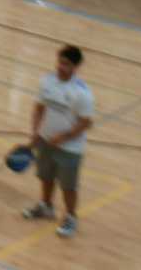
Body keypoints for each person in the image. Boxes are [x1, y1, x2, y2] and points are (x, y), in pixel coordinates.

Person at [23, 45, 93, 239]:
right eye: (60, 62)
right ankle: (46, 207)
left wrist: (63, 138)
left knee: (68, 186)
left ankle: (71, 217)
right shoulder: (47, 81)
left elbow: (86, 123)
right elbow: (39, 109)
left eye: (67, 64)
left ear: (76, 66)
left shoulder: (82, 93)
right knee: (45, 176)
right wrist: (36, 132)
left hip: (70, 148)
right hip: (45, 141)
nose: (61, 67)